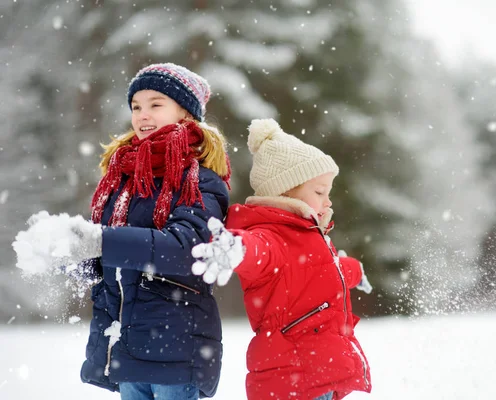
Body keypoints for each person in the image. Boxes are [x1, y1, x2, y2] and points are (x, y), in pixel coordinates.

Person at [16, 63, 231, 399]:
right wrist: (66, 251)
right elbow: (111, 265)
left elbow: (187, 248)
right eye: (136, 106)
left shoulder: (200, 182)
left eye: (156, 104)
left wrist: (100, 241)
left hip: (175, 352)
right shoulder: (125, 181)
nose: (143, 114)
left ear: (186, 114)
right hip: (126, 349)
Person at [191, 118, 373, 400]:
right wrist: (235, 248)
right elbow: (257, 251)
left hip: (314, 374)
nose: (328, 202)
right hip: (295, 377)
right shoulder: (273, 236)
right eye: (319, 192)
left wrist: (355, 270)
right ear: (285, 191)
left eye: (329, 193)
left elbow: (328, 271)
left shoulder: (309, 235)